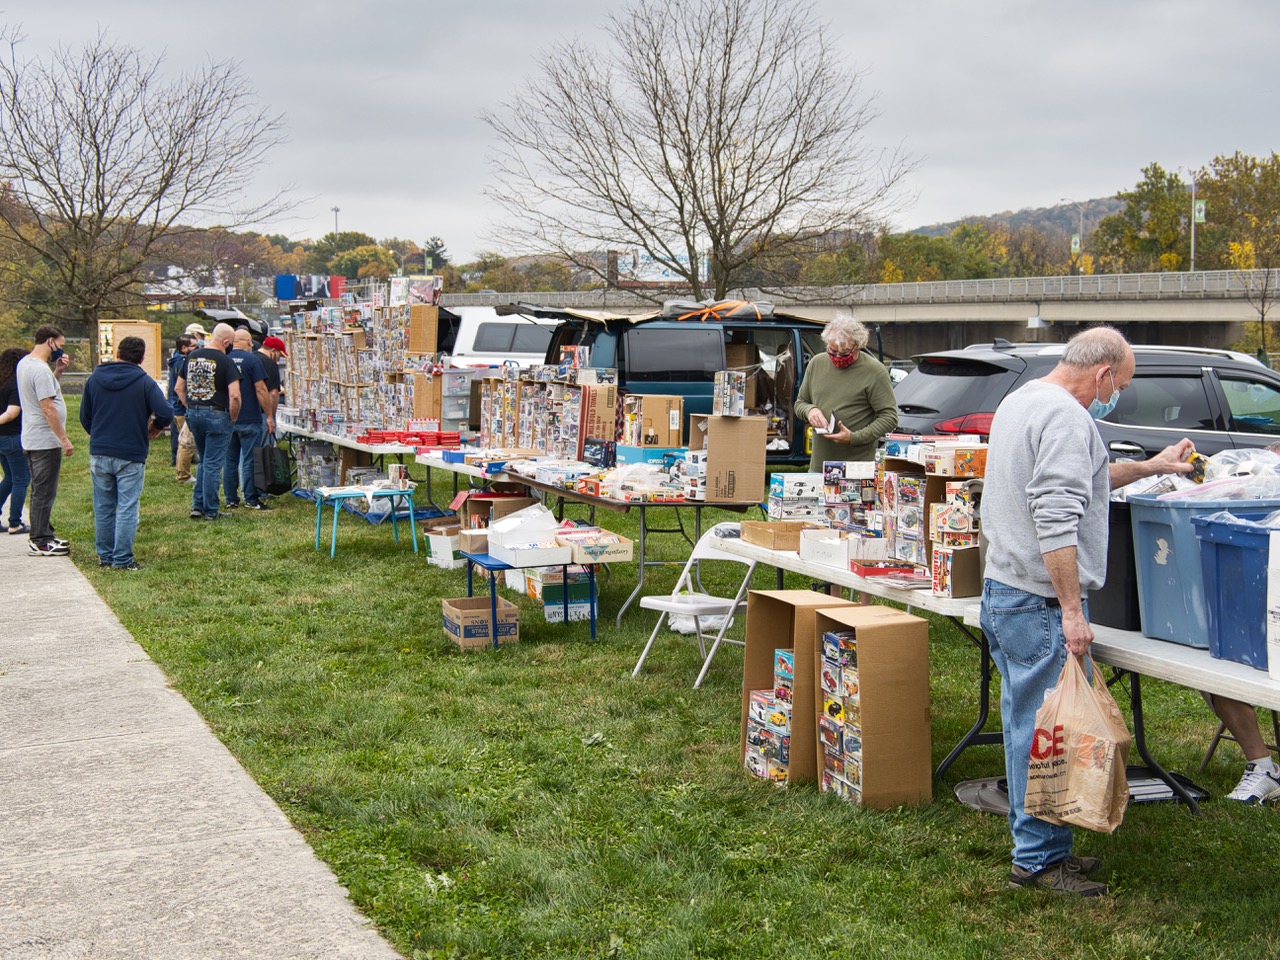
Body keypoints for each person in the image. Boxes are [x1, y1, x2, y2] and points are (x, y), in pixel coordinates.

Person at [980, 326, 1193, 897]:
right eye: (1118, 385)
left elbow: (1089, 479)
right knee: (1044, 732)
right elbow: (1055, 514)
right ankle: (1037, 862)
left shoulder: (1023, 400)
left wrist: (1152, 467)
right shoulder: (1068, 417)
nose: (1115, 395)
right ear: (1102, 374)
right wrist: (1072, 610)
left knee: (1034, 724)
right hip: (1040, 600)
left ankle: (1047, 849)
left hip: (1005, 590)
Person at [79, 336, 173, 570]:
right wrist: (155, 427)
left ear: (118, 353)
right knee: (127, 507)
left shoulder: (95, 379)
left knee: (103, 507)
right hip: (130, 452)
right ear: (141, 358)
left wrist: (98, 434)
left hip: (101, 450)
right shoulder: (145, 382)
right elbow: (165, 412)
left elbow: (85, 416)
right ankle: (122, 558)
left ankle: (105, 555)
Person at [794, 314, 898, 471]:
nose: (837, 357)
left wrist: (854, 437)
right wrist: (810, 410)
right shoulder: (816, 363)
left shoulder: (875, 371)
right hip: (819, 467)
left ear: (858, 346)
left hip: (857, 469)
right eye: (832, 351)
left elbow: (889, 418)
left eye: (844, 353)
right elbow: (800, 403)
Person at [16, 325, 73, 556]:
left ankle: (44, 532)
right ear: (50, 342)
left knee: (41, 489)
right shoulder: (39, 369)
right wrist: (64, 438)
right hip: (44, 440)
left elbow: (46, 390)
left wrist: (57, 371)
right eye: (60, 346)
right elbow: (47, 407)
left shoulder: (25, 363)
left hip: (32, 437)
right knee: (44, 490)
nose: (61, 350)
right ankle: (40, 540)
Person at [175, 322, 241, 521]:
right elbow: (235, 395)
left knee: (204, 461)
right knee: (213, 464)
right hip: (218, 414)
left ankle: (198, 505)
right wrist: (233, 416)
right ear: (227, 342)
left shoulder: (191, 357)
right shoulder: (226, 362)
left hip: (194, 413)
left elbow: (179, 388)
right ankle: (211, 509)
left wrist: (191, 406)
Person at [223, 328, 271, 511]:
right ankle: (251, 498)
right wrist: (269, 415)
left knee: (230, 460)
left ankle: (230, 498)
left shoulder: (224, 360)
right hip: (249, 418)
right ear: (249, 342)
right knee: (249, 459)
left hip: (228, 418)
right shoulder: (253, 360)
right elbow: (261, 389)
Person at [0, 347, 31, 535]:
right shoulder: (14, 384)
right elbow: (12, 412)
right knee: (21, 479)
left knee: (9, 478)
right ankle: (15, 522)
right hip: (12, 438)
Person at [168, 333, 198, 482]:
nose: (197, 348)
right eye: (194, 346)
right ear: (184, 348)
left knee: (186, 442)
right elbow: (180, 388)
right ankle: (183, 475)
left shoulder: (177, 361)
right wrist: (188, 404)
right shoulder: (182, 363)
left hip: (178, 407)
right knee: (186, 443)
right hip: (181, 408)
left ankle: (183, 473)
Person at [255, 335, 287, 435]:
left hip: (248, 413)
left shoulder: (251, 358)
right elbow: (273, 394)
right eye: (279, 355)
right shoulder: (271, 363)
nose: (278, 359)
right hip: (263, 412)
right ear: (273, 351)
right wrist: (271, 416)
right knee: (264, 448)